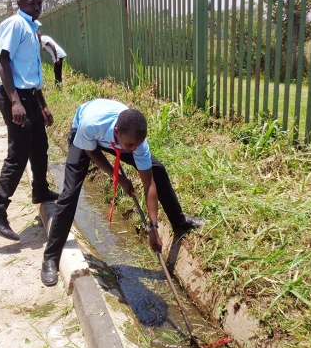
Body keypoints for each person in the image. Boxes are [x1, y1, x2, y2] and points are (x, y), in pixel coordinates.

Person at [40, 99, 204, 286]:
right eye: (130, 145)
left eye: (136, 145)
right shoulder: (92, 123)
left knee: (157, 169)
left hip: (115, 138)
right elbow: (91, 152)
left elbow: (149, 184)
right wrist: (117, 177)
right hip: (85, 137)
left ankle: (179, 222)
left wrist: (153, 227)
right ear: (117, 133)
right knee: (70, 193)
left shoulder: (136, 142)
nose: (134, 150)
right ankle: (50, 258)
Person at [0, 0, 58, 241]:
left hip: (29, 96)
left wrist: (42, 104)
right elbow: (3, 62)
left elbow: (29, 74)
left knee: (40, 145)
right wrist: (15, 102)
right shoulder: (15, 24)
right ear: (20, 2)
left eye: (39, 3)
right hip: (15, 97)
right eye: (31, 3)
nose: (36, 7)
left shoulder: (32, 28)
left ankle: (40, 190)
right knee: (17, 155)